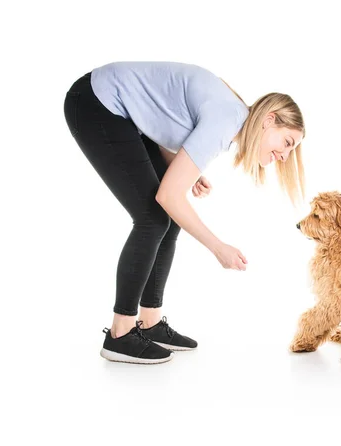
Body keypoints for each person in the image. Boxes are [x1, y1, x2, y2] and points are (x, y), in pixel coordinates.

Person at [63, 61, 306, 364]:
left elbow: (164, 119)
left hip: (121, 112)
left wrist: (183, 169)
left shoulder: (233, 119)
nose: (284, 156)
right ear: (269, 120)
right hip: (95, 102)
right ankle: (119, 333)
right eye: (286, 143)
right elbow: (168, 195)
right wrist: (218, 247)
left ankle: (149, 323)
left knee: (167, 220)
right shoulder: (226, 121)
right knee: (152, 218)